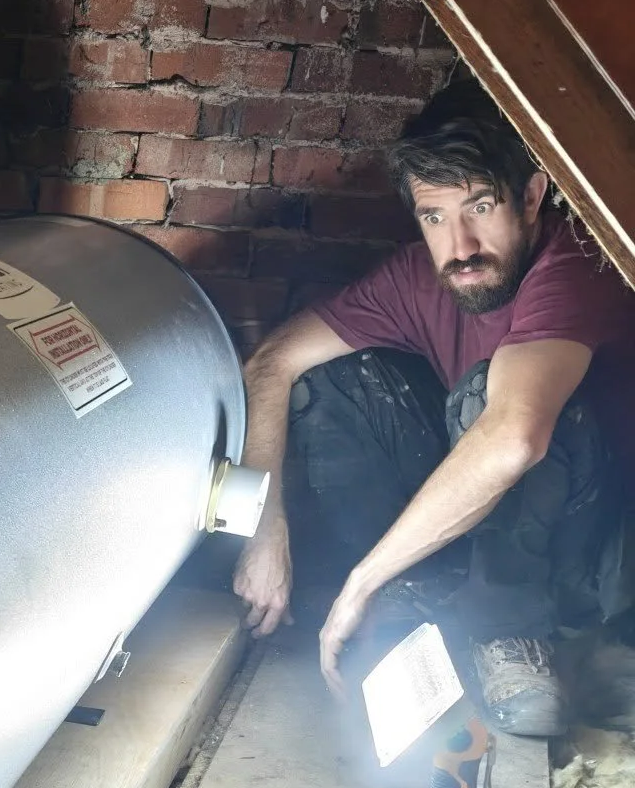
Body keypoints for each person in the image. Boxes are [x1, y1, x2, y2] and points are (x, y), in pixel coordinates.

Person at [231, 74, 635, 736]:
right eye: (435, 217)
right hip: (509, 531)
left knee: (492, 397)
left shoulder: (574, 262)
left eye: (480, 207)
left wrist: (356, 585)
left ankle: (510, 634)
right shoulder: (421, 277)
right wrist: (260, 528)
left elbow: (513, 438)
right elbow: (273, 364)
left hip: (599, 558)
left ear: (532, 197)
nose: (460, 246)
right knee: (334, 378)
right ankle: (421, 597)